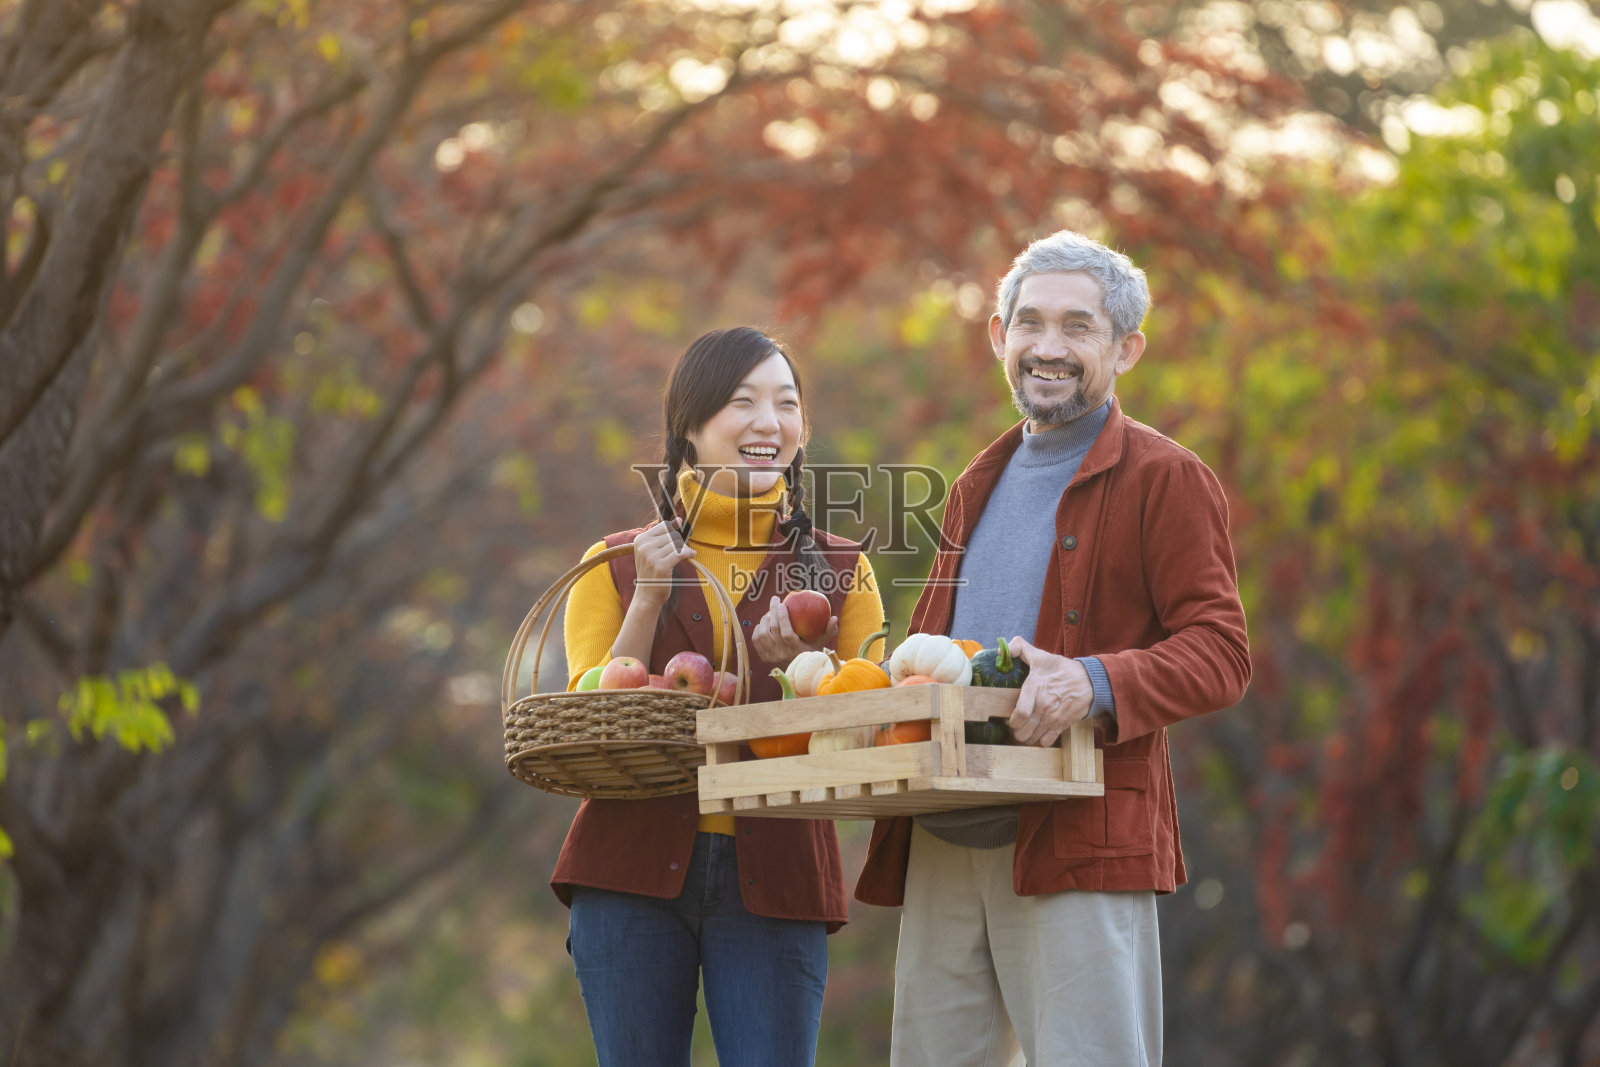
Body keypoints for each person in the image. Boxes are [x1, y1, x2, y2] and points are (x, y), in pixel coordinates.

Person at [855, 231, 1251, 1066]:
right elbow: (934, 659)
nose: (1049, 347)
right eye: (1029, 323)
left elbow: (1221, 650)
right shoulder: (974, 483)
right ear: (999, 336)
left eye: (1078, 327)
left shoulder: (1164, 477)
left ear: (1125, 348)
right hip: (943, 840)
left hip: (1079, 842)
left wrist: (1094, 680)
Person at [552, 326, 886, 1067]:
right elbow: (588, 723)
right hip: (627, 871)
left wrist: (807, 667)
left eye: (787, 403)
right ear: (690, 429)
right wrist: (648, 598)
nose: (770, 422)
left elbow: (872, 736)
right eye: (744, 402)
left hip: (781, 876)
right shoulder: (609, 563)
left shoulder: (843, 570)